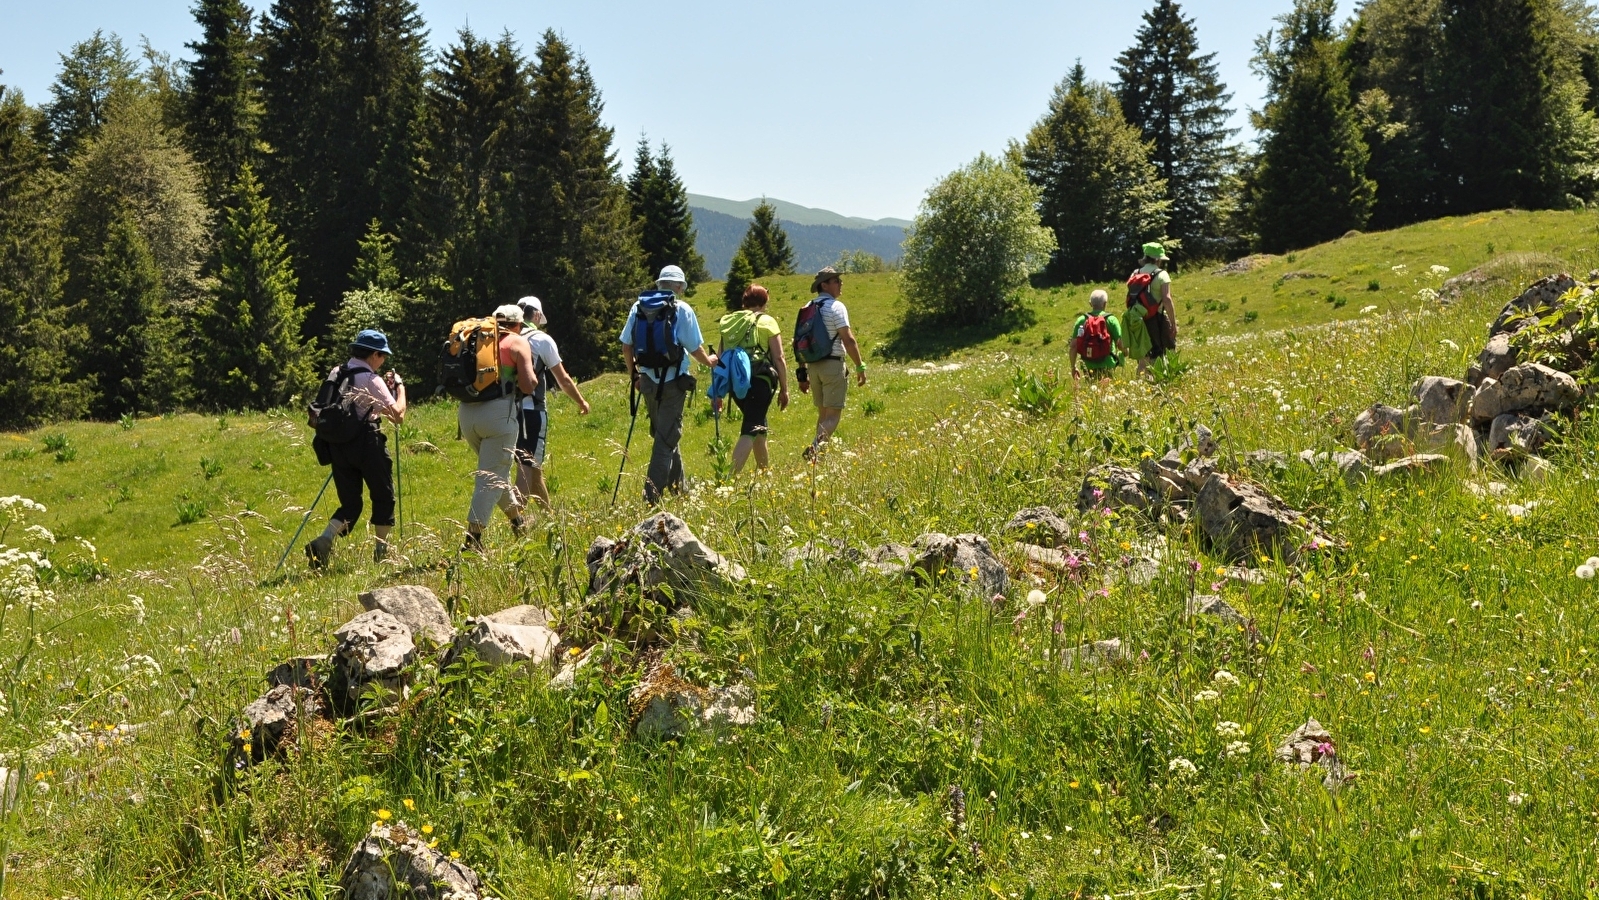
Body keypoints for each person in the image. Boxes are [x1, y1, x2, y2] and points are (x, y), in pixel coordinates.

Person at [306, 329, 407, 567]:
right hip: (367, 444)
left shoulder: (337, 371)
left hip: (338, 446)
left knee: (351, 504)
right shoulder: (371, 380)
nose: (383, 361)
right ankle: (381, 553)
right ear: (374, 354)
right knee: (383, 496)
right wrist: (400, 389)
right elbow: (398, 415)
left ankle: (325, 539)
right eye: (382, 356)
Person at [619, 265, 718, 503]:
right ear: (678, 286)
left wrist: (634, 375)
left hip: (647, 382)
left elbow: (626, 346)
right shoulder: (681, 309)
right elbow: (695, 348)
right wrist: (710, 361)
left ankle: (680, 490)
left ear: (659, 283)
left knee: (665, 434)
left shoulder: (638, 307)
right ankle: (650, 499)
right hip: (673, 383)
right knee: (665, 440)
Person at [458, 304, 538, 550]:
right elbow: (528, 384)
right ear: (517, 325)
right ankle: (472, 541)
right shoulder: (516, 341)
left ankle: (518, 523)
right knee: (491, 477)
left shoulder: (474, 338)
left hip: (466, 414)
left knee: (496, 470)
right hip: (498, 416)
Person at [513, 296, 591, 513]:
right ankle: (516, 524)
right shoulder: (541, 339)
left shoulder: (508, 338)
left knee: (534, 469)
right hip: (532, 413)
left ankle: (550, 518)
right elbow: (563, 380)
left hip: (509, 412)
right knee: (526, 468)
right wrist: (581, 401)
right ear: (536, 315)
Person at [714, 284, 790, 474]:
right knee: (750, 428)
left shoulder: (730, 322)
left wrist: (718, 391)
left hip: (736, 383)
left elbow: (720, 358)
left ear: (744, 302)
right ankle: (728, 479)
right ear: (764, 302)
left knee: (759, 425)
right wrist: (785, 388)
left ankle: (764, 472)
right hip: (760, 380)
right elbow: (779, 357)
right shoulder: (767, 322)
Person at [795, 266, 867, 459]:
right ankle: (814, 450)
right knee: (833, 416)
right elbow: (848, 339)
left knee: (823, 415)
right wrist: (860, 366)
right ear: (824, 285)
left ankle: (818, 457)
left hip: (813, 367)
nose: (840, 283)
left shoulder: (807, 307)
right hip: (833, 365)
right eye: (836, 280)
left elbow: (799, 342)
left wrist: (802, 374)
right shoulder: (836, 307)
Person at [1124, 242, 1179, 376]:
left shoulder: (1135, 273)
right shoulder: (1162, 274)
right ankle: (1162, 380)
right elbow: (1167, 299)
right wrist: (1173, 323)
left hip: (1138, 319)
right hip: (1156, 318)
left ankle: (1140, 385)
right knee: (1164, 351)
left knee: (1144, 355)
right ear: (1158, 259)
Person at [1068, 290, 1127, 381]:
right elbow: (1120, 344)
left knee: (1092, 393)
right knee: (1107, 393)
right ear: (1105, 304)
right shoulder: (1111, 319)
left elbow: (1073, 346)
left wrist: (1073, 367)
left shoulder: (1081, 320)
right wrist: (1125, 352)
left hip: (1087, 365)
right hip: (1107, 364)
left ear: (1090, 304)